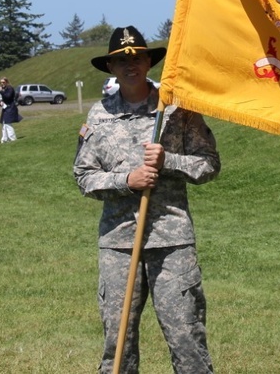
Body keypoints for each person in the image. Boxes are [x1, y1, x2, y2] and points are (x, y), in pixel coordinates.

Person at [73, 26, 220, 374]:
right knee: (117, 342)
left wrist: (169, 161)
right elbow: (83, 176)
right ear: (110, 67)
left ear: (149, 61)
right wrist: (127, 180)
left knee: (186, 337)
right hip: (118, 243)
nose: (130, 65)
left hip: (172, 241)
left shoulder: (176, 109)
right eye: (121, 60)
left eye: (137, 57)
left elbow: (209, 164)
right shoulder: (100, 115)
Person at [0, 77, 21, 143]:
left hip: (10, 107)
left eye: (3, 82)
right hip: (5, 108)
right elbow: (4, 98)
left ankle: (12, 138)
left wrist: (1, 91)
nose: (2, 84)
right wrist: (1, 102)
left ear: (7, 82)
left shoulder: (10, 88)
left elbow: (8, 96)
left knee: (8, 123)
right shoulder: (4, 89)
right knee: (3, 123)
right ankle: (4, 139)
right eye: (1, 82)